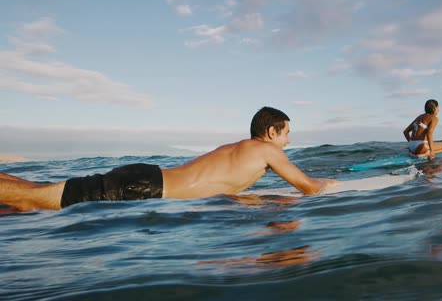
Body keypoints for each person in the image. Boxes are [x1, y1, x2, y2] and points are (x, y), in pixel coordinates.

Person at [0, 106, 340, 212]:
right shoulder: (266, 151)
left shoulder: (239, 150)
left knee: (36, 192)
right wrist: (328, 183)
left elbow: (221, 188)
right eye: (285, 134)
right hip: (144, 188)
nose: (289, 140)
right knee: (35, 201)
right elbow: (308, 188)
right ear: (270, 133)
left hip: (145, 178)